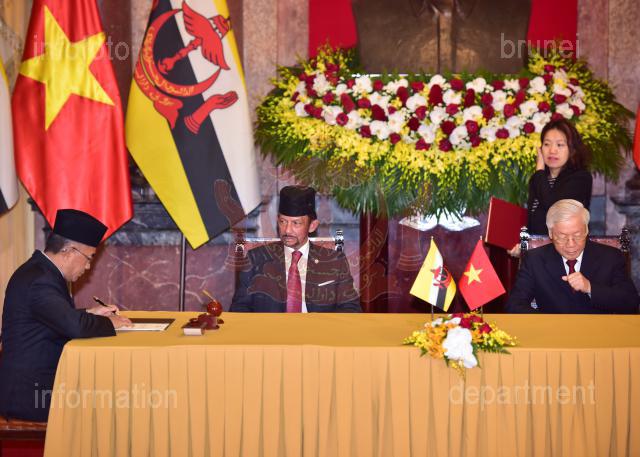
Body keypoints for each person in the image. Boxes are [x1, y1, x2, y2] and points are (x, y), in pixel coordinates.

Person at [0, 209, 131, 421]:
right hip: (31, 394)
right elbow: (74, 326)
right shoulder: (40, 281)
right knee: (113, 406)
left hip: (39, 384)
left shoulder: (40, 271)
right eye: (88, 258)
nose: (88, 266)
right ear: (69, 251)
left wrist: (88, 312)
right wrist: (109, 322)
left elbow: (49, 317)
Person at [231, 186, 361, 312]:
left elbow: (351, 308)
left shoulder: (334, 261)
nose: (287, 230)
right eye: (283, 221)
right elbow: (239, 309)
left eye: (296, 223)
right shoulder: (255, 259)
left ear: (312, 226)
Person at [505, 199, 639, 314]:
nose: (571, 244)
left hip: (598, 333)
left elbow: (631, 302)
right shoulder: (535, 259)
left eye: (577, 235)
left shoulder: (610, 257)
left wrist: (590, 288)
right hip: (552, 332)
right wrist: (546, 323)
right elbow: (514, 305)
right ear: (551, 233)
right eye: (562, 236)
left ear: (586, 230)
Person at [509, 118, 592, 256]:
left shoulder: (580, 178)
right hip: (538, 255)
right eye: (547, 144)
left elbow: (554, 208)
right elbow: (532, 220)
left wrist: (539, 170)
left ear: (572, 149)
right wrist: (522, 246)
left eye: (560, 145)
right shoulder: (539, 178)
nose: (552, 150)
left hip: (566, 254)